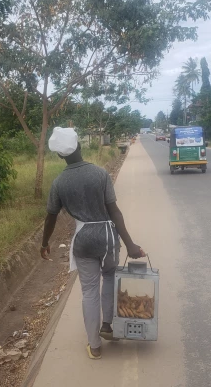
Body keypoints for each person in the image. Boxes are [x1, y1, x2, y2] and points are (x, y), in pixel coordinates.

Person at [40, 127, 145, 360]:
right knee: (109, 277)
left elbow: (51, 216)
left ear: (59, 155)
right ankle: (107, 325)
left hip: (84, 240)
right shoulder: (100, 174)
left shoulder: (59, 183)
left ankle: (95, 346)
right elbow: (114, 212)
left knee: (89, 291)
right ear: (79, 145)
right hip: (107, 238)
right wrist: (130, 244)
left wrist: (44, 243)